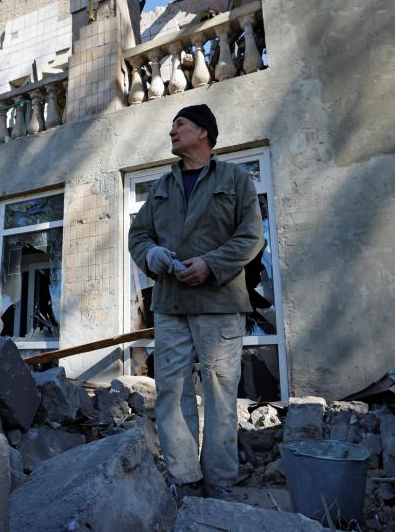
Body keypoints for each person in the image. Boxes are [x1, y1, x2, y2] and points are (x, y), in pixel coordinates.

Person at [128, 104, 265, 499]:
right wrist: (150, 255)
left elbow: (250, 237)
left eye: (180, 124)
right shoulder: (161, 186)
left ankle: (221, 480)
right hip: (171, 305)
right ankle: (184, 477)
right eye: (172, 125)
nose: (172, 131)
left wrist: (210, 264)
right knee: (171, 392)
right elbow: (139, 236)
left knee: (221, 393)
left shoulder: (235, 179)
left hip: (219, 303)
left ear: (203, 132)